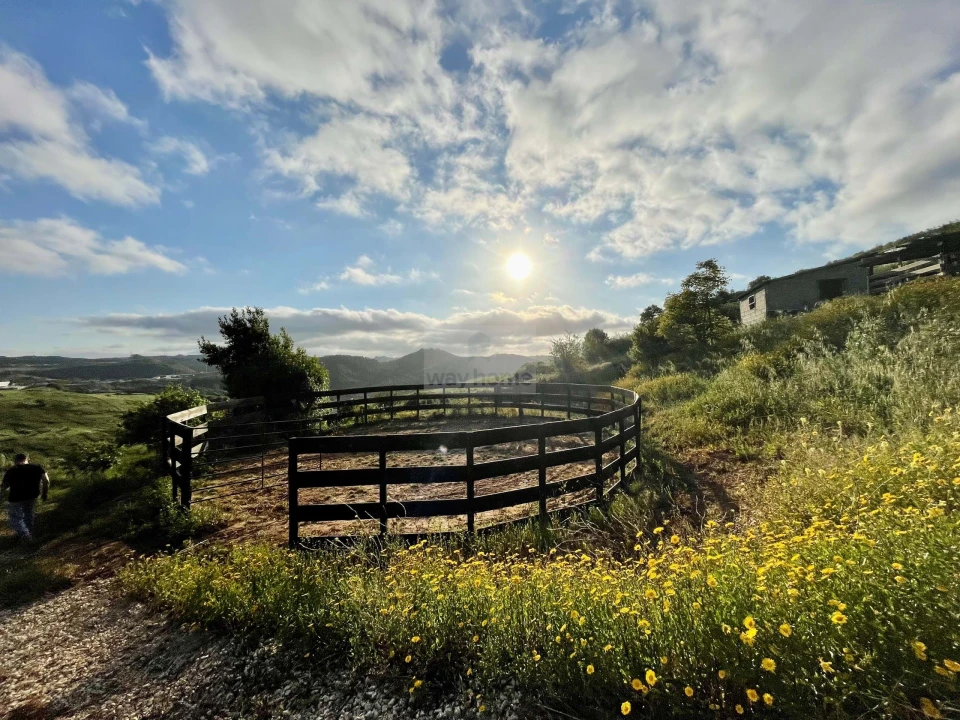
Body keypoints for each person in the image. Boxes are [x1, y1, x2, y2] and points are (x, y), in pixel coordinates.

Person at [2, 453, 50, 542]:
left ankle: (25, 535)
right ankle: (29, 534)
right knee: (29, 514)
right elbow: (46, 481)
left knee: (15, 518)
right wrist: (44, 493)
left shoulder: (11, 471)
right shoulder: (37, 467)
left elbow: (4, 486)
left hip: (15, 497)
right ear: (27, 459)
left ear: (15, 461)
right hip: (32, 496)